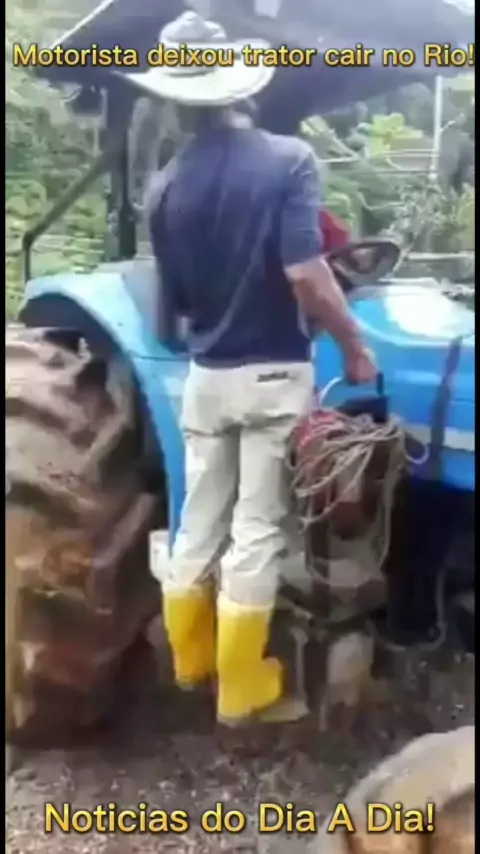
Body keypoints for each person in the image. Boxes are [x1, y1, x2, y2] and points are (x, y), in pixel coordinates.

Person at [141, 11, 377, 727]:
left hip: (207, 378)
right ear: (242, 89)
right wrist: (354, 344)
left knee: (199, 519)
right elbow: (307, 273)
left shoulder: (163, 187)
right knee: (258, 526)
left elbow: (175, 303)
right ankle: (243, 687)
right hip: (274, 374)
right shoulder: (288, 161)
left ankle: (192, 662)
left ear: (174, 101)